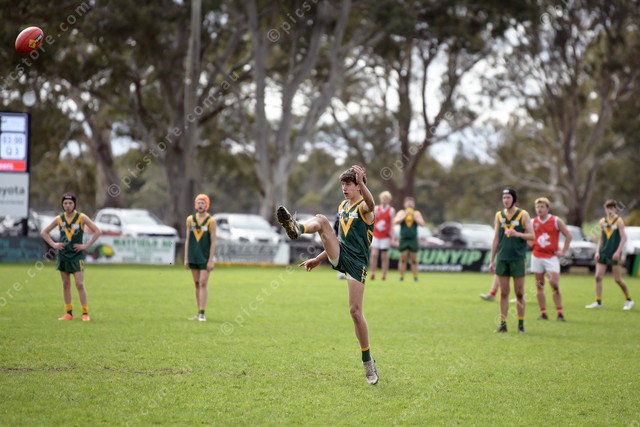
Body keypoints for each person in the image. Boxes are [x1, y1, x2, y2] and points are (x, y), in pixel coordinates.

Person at [277, 165, 378, 385]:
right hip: (340, 254)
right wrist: (318, 259)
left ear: (358, 186)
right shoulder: (343, 207)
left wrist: (362, 182)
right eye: (343, 184)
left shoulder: (364, 207)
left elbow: (372, 205)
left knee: (355, 312)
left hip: (357, 263)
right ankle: (297, 227)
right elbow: (338, 239)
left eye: (348, 184)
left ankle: (367, 361)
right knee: (322, 220)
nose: (344, 188)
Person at [40, 193, 101, 322]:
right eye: (65, 203)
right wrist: (54, 244)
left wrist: (86, 246)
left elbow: (97, 231)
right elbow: (44, 232)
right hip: (63, 255)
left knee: (79, 284)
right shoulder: (59, 219)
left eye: (70, 203)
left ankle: (85, 313)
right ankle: (68, 313)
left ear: (74, 204)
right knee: (65, 284)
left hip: (77, 256)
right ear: (62, 205)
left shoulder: (81, 217)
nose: (68, 206)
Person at [488, 187, 534, 333]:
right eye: (504, 198)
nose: (505, 200)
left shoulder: (523, 214)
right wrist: (491, 260)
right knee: (504, 292)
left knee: (519, 292)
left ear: (514, 199)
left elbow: (532, 236)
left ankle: (521, 325)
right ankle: (503, 324)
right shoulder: (499, 215)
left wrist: (517, 234)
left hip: (518, 259)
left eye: (508, 197)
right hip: (502, 258)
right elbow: (496, 238)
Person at [586, 200, 634, 310]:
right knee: (598, 277)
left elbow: (623, 238)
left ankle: (629, 300)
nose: (610, 210)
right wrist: (597, 252)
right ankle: (598, 302)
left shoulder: (619, 221)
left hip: (614, 254)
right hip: (603, 253)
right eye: (608, 208)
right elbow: (601, 239)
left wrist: (618, 252)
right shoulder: (602, 221)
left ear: (616, 209)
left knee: (618, 279)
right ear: (605, 209)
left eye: (612, 208)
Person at [530, 197, 572, 321]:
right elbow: (527, 235)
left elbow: (568, 235)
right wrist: (530, 243)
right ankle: (543, 313)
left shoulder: (556, 221)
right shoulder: (532, 222)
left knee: (554, 284)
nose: (539, 209)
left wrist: (563, 251)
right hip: (537, 256)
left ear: (547, 208)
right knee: (539, 285)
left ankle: (560, 313)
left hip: (551, 257)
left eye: (542, 207)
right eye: (537, 207)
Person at [184, 194, 217, 321]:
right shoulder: (190, 220)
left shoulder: (211, 221)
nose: (200, 205)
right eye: (198, 203)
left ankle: (202, 313)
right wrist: (186, 258)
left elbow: (213, 241)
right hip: (193, 256)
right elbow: (187, 240)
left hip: (205, 257)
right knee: (197, 283)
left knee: (203, 282)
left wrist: (210, 260)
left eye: (203, 203)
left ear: (207, 205)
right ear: (195, 204)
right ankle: (198, 312)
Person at [393, 197, 424, 282]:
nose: (409, 205)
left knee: (414, 260)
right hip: (403, 239)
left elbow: (422, 223)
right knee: (403, 259)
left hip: (413, 239)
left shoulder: (417, 213)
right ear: (404, 204)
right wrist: (404, 216)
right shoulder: (401, 213)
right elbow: (395, 222)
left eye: (411, 203)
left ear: (414, 205)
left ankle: (415, 277)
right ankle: (401, 277)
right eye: (408, 203)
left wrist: (414, 217)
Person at [370, 191, 396, 281]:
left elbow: (392, 225)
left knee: (384, 256)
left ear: (389, 200)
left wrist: (392, 238)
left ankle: (384, 274)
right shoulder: (376, 209)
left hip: (385, 236)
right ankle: (372, 273)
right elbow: (372, 221)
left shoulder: (391, 210)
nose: (384, 200)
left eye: (386, 199)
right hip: (376, 235)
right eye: (383, 198)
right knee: (374, 254)